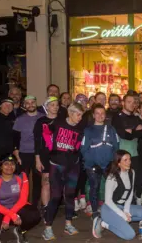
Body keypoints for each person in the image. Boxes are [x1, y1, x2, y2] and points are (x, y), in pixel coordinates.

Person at [42, 103, 85, 240]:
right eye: (78, 114)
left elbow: (78, 145)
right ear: (70, 113)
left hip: (73, 165)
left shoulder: (80, 128)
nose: (80, 118)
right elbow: (45, 133)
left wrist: (74, 154)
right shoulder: (58, 123)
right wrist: (51, 150)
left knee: (70, 195)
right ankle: (47, 228)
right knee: (55, 196)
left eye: (81, 115)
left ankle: (68, 224)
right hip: (57, 165)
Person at [92, 150, 142, 240]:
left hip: (122, 206)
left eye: (129, 159)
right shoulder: (112, 177)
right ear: (118, 163)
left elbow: (130, 194)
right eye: (125, 160)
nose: (129, 162)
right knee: (130, 235)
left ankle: (119, 221)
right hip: (109, 209)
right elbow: (108, 201)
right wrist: (122, 215)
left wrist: (126, 211)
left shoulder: (132, 172)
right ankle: (103, 223)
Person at [81, 104, 120, 219]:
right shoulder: (88, 130)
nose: (100, 115)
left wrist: (113, 162)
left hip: (108, 164)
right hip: (93, 165)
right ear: (93, 115)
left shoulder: (111, 129)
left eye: (102, 113)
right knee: (95, 187)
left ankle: (112, 209)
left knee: (113, 186)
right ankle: (95, 212)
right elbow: (84, 149)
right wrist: (92, 163)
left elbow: (116, 146)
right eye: (97, 113)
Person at [0, 155, 41, 243]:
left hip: (17, 208)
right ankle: (3, 231)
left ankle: (20, 230)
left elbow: (23, 200)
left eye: (12, 164)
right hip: (0, 210)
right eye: (6, 164)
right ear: (1, 166)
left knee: (35, 215)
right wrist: (11, 215)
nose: (9, 167)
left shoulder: (21, 177)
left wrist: (8, 217)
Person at [12, 95, 44, 206]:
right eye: (27, 103)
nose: (30, 105)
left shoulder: (43, 117)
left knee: (37, 181)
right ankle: (22, 204)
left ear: (36, 103)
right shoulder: (20, 119)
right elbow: (15, 138)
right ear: (24, 105)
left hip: (39, 155)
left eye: (32, 102)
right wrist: (17, 154)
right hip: (24, 154)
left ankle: (35, 205)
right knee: (23, 181)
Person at [33, 97, 59, 218]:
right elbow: (37, 141)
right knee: (46, 182)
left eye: (57, 105)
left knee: (59, 183)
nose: (55, 107)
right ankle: (46, 208)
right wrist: (37, 159)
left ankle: (56, 207)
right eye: (52, 105)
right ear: (47, 107)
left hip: (60, 156)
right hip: (45, 155)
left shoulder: (62, 120)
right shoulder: (40, 121)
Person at [112, 94, 142, 172]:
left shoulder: (135, 117)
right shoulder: (117, 117)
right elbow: (124, 135)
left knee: (135, 180)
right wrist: (136, 131)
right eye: (129, 102)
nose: (132, 104)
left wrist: (132, 132)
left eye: (133, 102)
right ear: (123, 103)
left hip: (135, 155)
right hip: (122, 156)